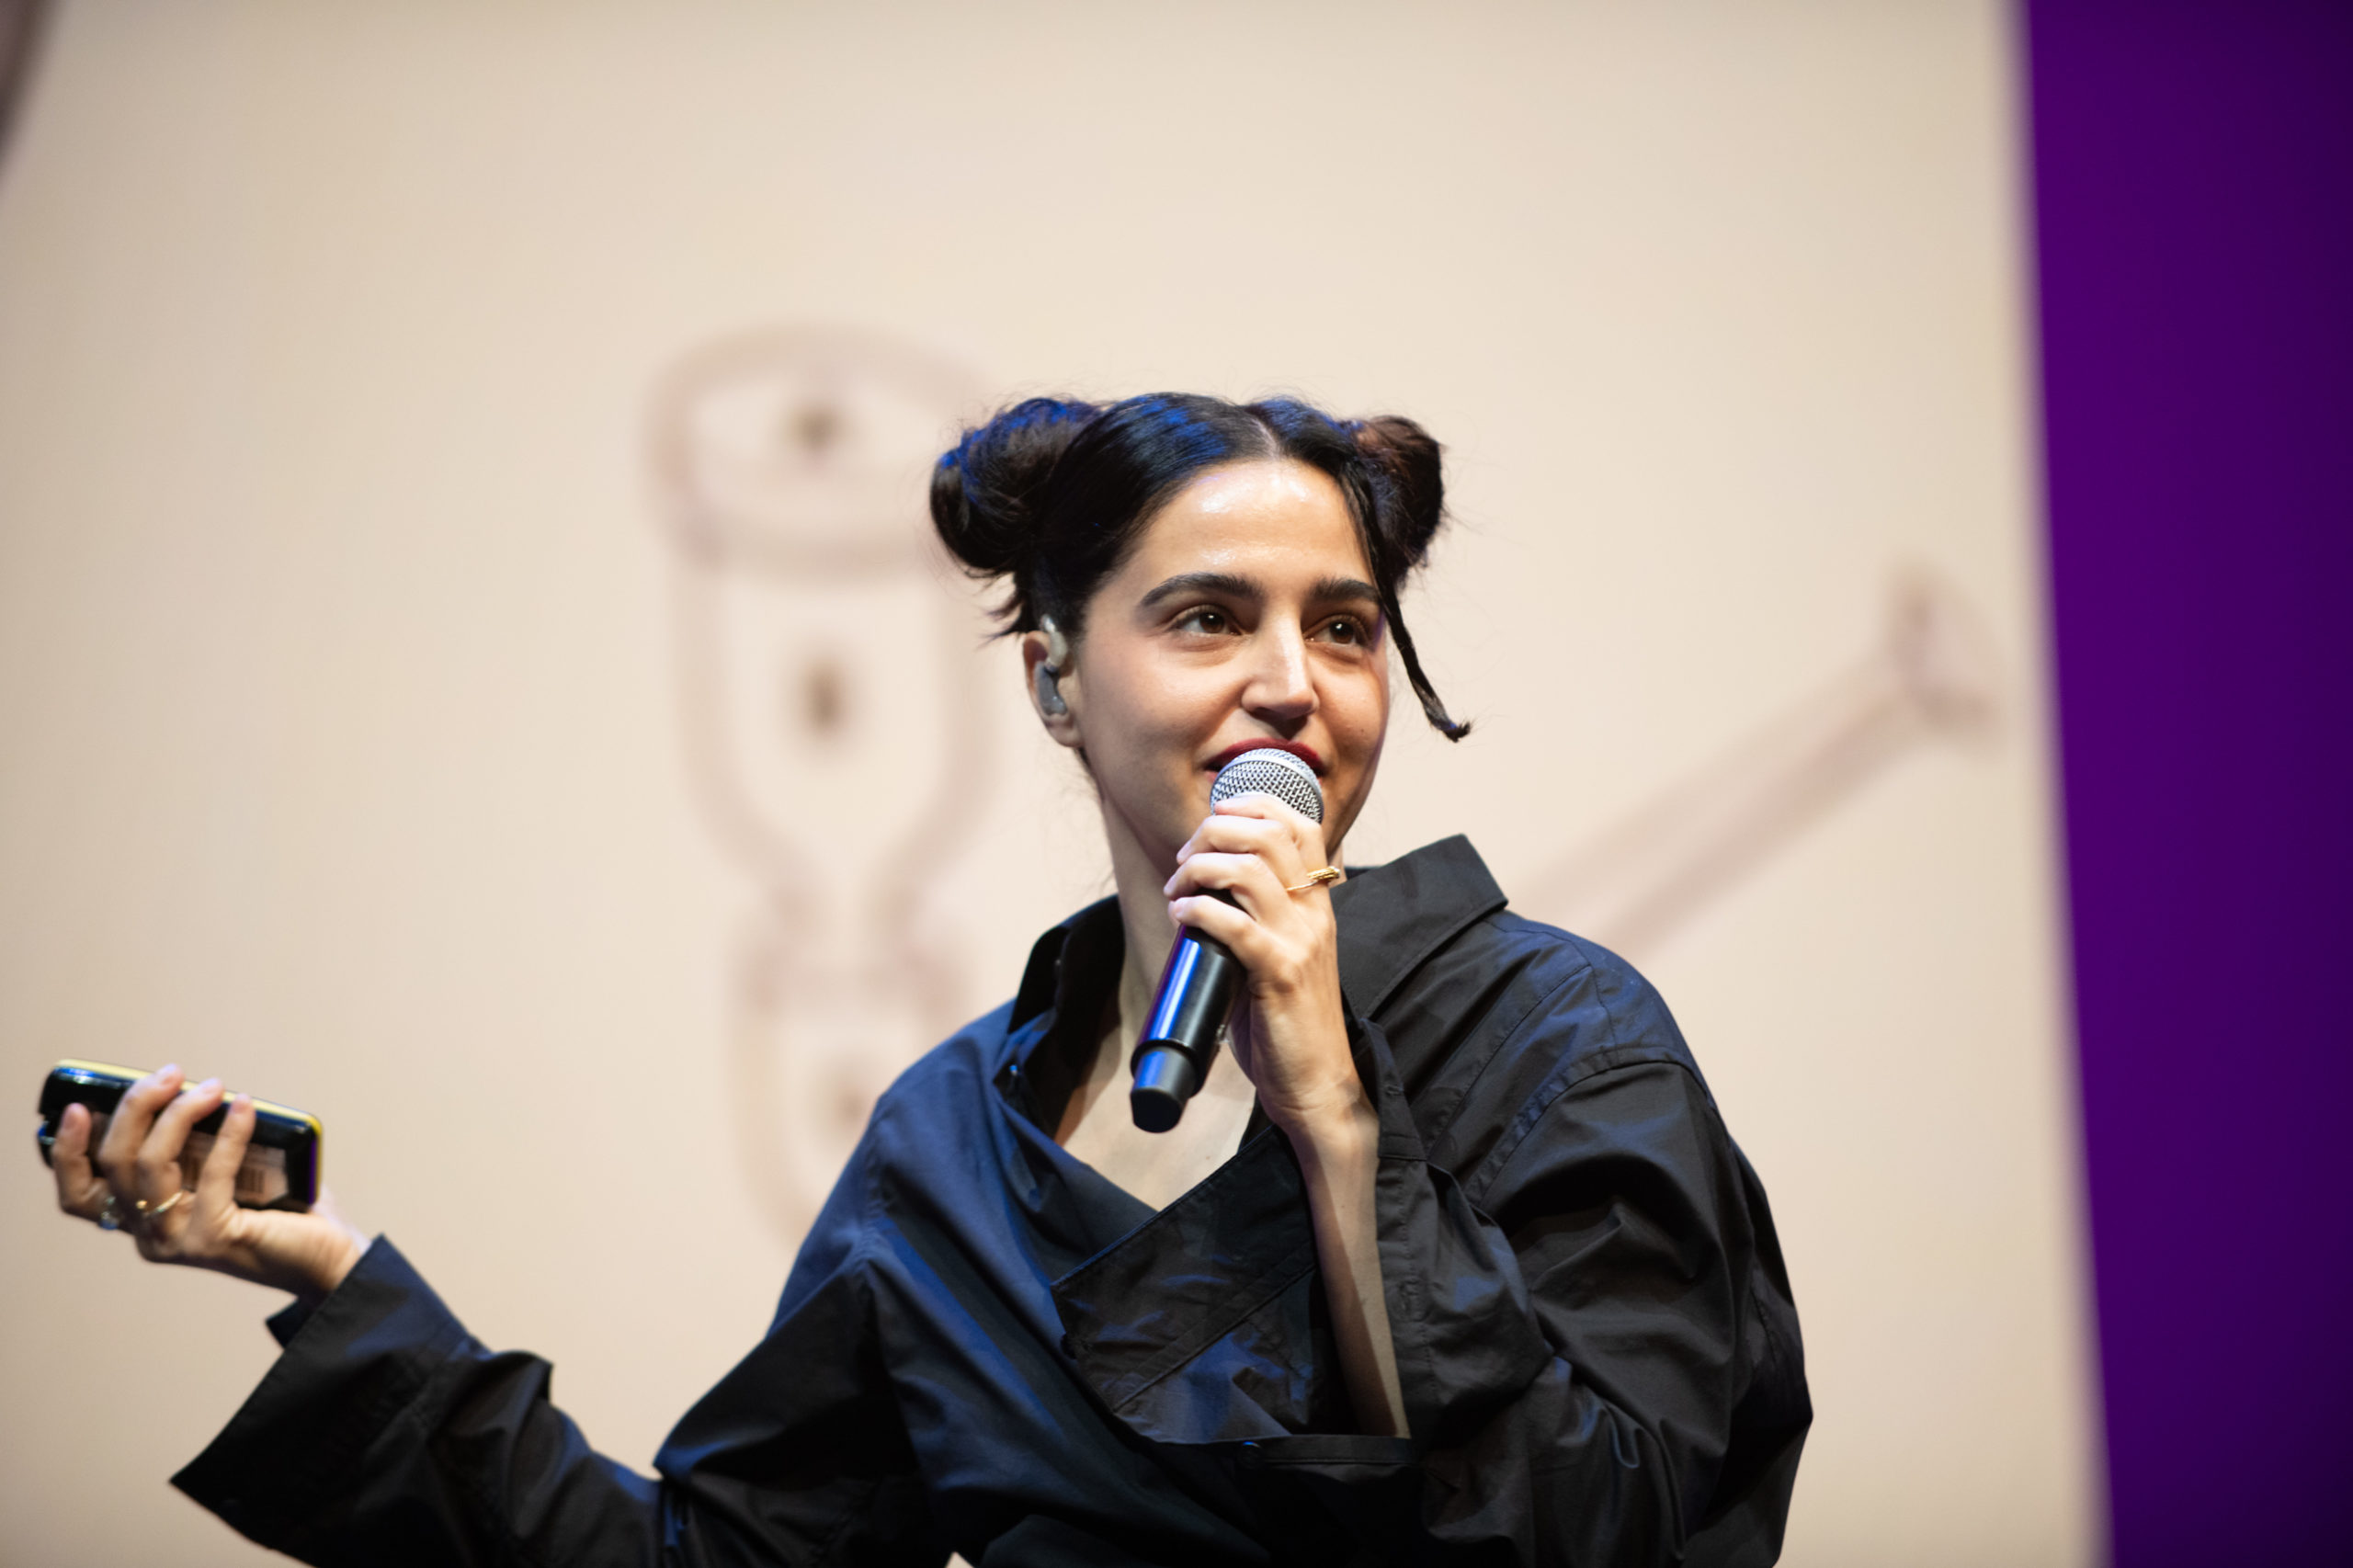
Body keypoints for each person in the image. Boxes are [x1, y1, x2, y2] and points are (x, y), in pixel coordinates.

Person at [47, 392, 1810, 1566]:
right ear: (1054, 682)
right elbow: (730, 1554)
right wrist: (335, 1283)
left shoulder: (1567, 1040)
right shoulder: (956, 1140)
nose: (1292, 680)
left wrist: (1339, 1129)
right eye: (1210, 617)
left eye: (1342, 627)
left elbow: (1614, 1530)